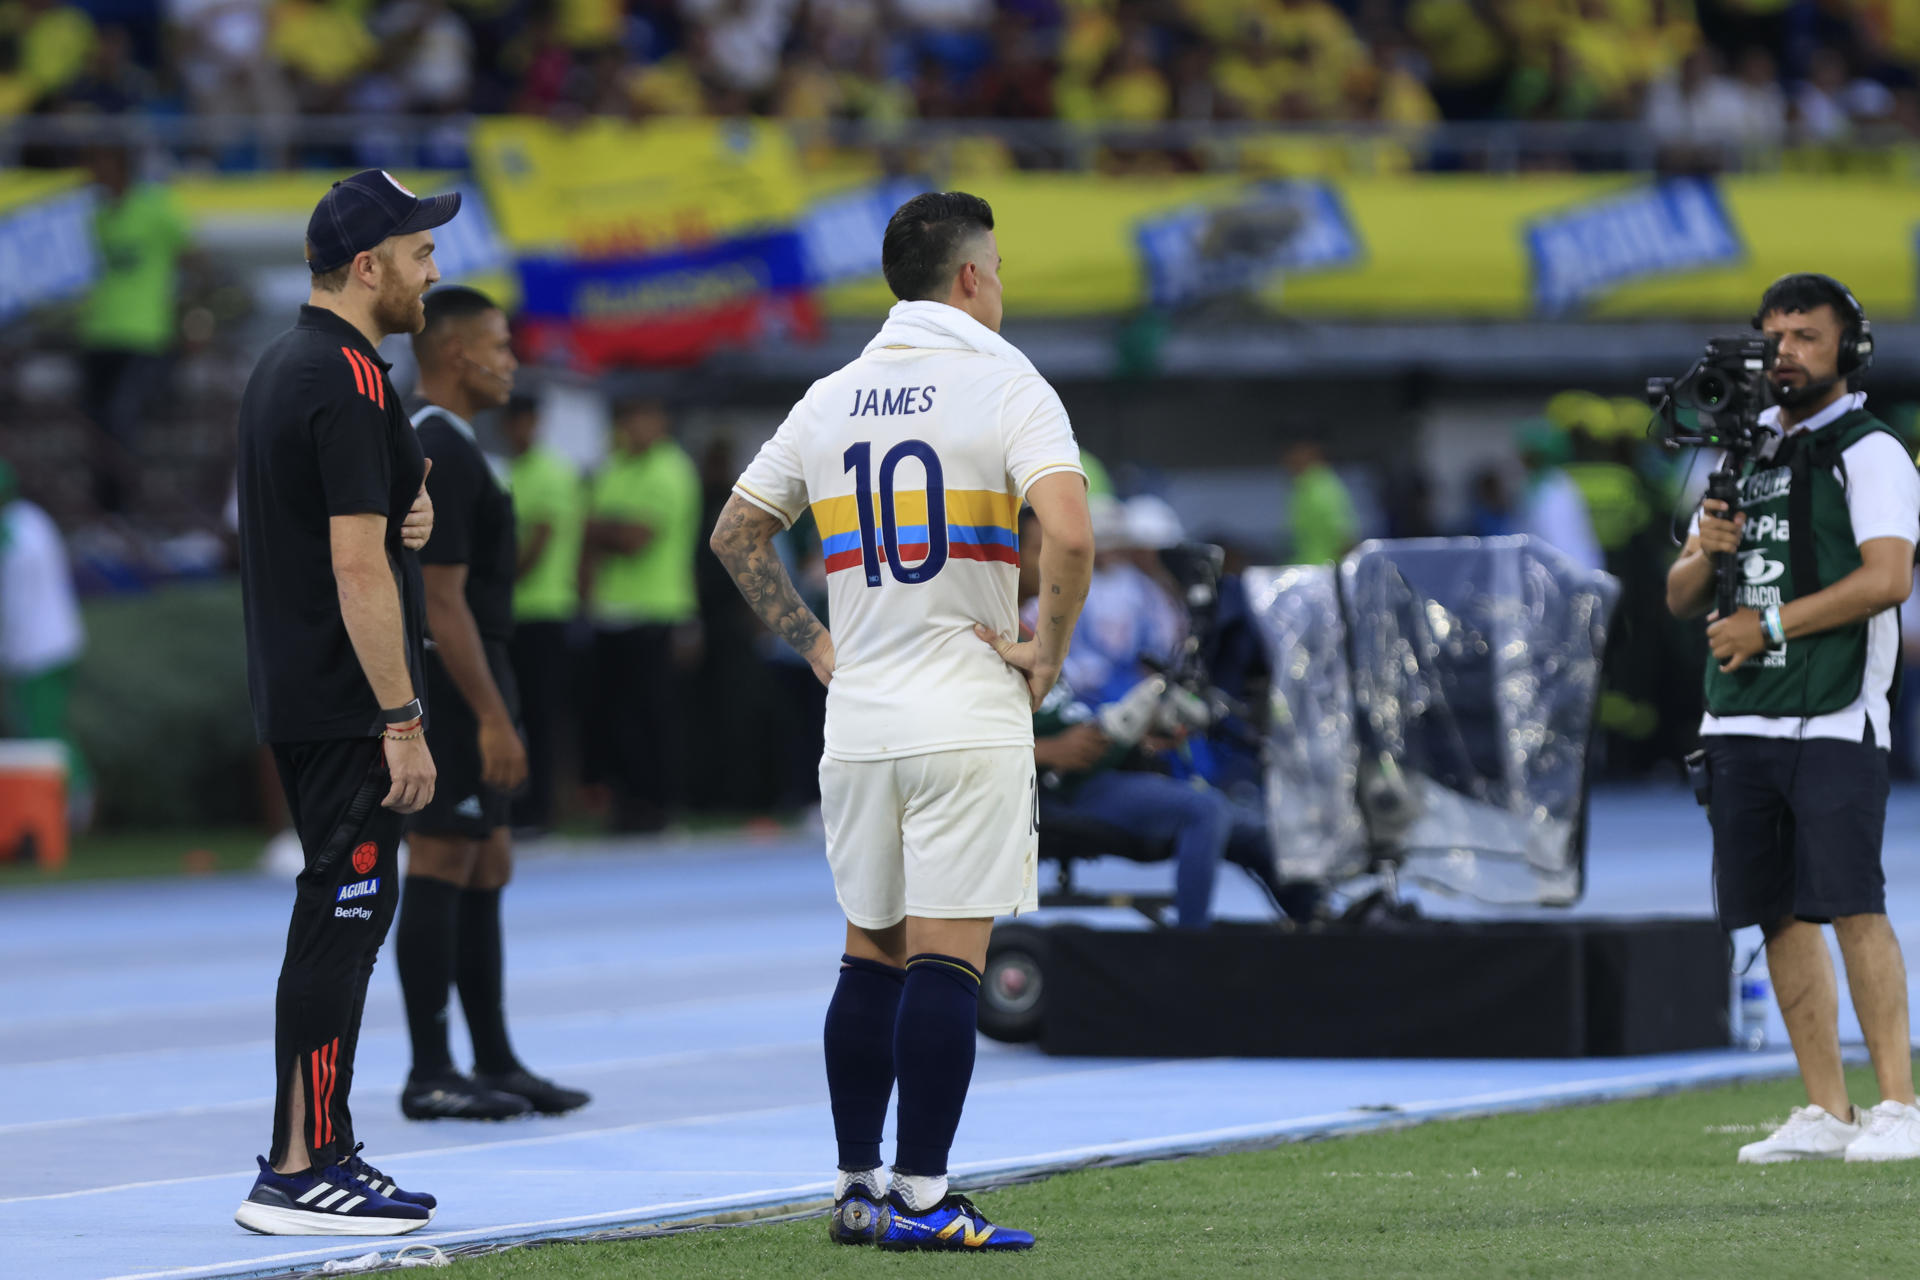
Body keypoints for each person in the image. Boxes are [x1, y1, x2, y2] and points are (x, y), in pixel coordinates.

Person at [711, 191, 1092, 1251]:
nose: (1002, 286)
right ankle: (925, 1195)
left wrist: (817, 643)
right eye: (1000, 268)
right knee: (948, 960)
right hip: (965, 709)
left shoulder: (833, 393)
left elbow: (739, 532)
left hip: (863, 715)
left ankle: (854, 1185)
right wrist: (1047, 649)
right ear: (971, 278)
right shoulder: (1006, 381)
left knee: (869, 954)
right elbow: (1067, 531)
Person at [231, 169, 456, 1235]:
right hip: (348, 701)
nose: (434, 270)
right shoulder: (351, 378)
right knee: (343, 915)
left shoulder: (294, 364)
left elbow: (362, 519)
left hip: (308, 690)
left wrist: (405, 503)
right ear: (367, 267)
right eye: (419, 253)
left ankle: (323, 1143)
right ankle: (299, 1162)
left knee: (347, 915)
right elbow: (354, 565)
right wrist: (401, 717)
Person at [1666, 273, 1920, 1163]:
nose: (1786, 352)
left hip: (1835, 709)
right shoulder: (1741, 451)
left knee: (1852, 903)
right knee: (1776, 914)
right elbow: (1678, 590)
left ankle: (1900, 1106)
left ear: (1847, 350)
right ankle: (1827, 1112)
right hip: (1739, 716)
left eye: (1807, 336)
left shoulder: (1871, 448)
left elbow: (1890, 579)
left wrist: (1767, 622)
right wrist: (1713, 551)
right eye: (1775, 336)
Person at [396, 286, 590, 1121]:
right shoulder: (435, 447)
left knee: (490, 858)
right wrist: (489, 714)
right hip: (452, 680)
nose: (513, 361)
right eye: (500, 346)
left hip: (484, 668)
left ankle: (495, 1057)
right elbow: (443, 602)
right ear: (453, 353)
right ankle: (431, 1069)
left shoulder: (465, 447)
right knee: (441, 858)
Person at [583, 395, 702, 832]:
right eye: (626, 419)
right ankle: (627, 809)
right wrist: (603, 529)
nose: (632, 429)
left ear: (659, 419)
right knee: (617, 719)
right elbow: (597, 529)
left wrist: (599, 528)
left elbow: (634, 539)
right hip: (611, 612)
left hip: (659, 609)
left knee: (655, 717)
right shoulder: (614, 467)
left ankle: (662, 808)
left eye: (640, 418)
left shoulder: (671, 468)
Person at [77, 143, 191, 513]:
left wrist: (192, 317)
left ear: (122, 168)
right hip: (96, 334)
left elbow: (194, 257)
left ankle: (126, 512)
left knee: (120, 421)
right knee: (96, 427)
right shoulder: (90, 215)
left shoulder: (154, 208)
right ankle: (106, 513)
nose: (96, 174)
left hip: (144, 334)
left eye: (102, 164)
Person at [502, 395, 582, 833]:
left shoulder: (552, 473)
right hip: (515, 612)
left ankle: (545, 810)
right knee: (516, 713)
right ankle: (523, 804)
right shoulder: (507, 471)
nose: (518, 430)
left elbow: (536, 545)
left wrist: (491, 579)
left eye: (525, 421)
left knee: (542, 715)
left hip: (546, 609)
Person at [0, 459, 90, 825]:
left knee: (43, 734)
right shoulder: (32, 517)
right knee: (46, 729)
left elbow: (13, 604)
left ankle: (73, 805)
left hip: (37, 650)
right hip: (59, 638)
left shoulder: (11, 534)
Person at [1282, 441, 1356, 566]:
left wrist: (1342, 573)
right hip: (1311, 568)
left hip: (1325, 570)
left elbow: (1343, 534)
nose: (1286, 461)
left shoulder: (1321, 487)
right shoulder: (1304, 486)